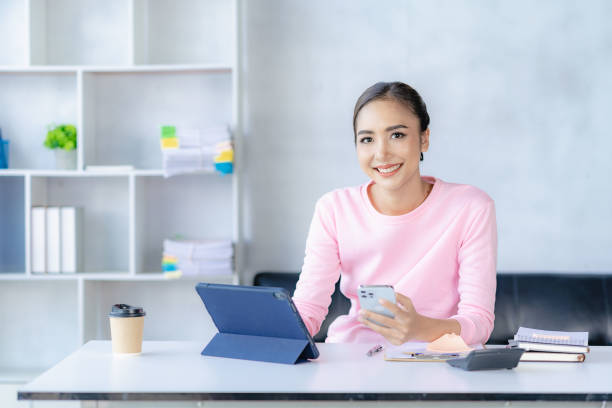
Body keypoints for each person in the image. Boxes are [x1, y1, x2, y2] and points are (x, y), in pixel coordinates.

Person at [292, 81, 497, 346]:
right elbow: (307, 311)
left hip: (435, 363)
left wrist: (420, 328)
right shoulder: (333, 208)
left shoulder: (471, 207)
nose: (382, 153)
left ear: (424, 138)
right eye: (367, 139)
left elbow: (479, 323)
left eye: (397, 135)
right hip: (352, 359)